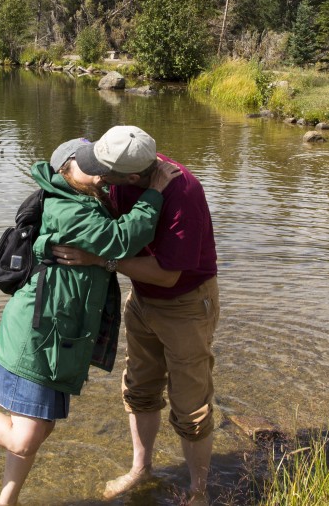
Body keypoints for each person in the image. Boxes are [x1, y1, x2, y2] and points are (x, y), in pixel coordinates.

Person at [0, 138, 179, 506]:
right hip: (39, 335)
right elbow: (122, 240)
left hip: (56, 333)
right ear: (64, 170)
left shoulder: (88, 196)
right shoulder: (68, 210)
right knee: (24, 436)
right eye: (90, 163)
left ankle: (7, 502)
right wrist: (155, 192)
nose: (101, 170)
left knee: (35, 429)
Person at [53, 126, 219, 506]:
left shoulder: (184, 192)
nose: (96, 174)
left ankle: (199, 492)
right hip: (142, 298)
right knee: (139, 389)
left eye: (102, 171)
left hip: (186, 303)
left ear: (130, 176)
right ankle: (141, 469)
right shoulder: (121, 165)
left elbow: (167, 274)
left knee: (190, 404)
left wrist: (99, 260)